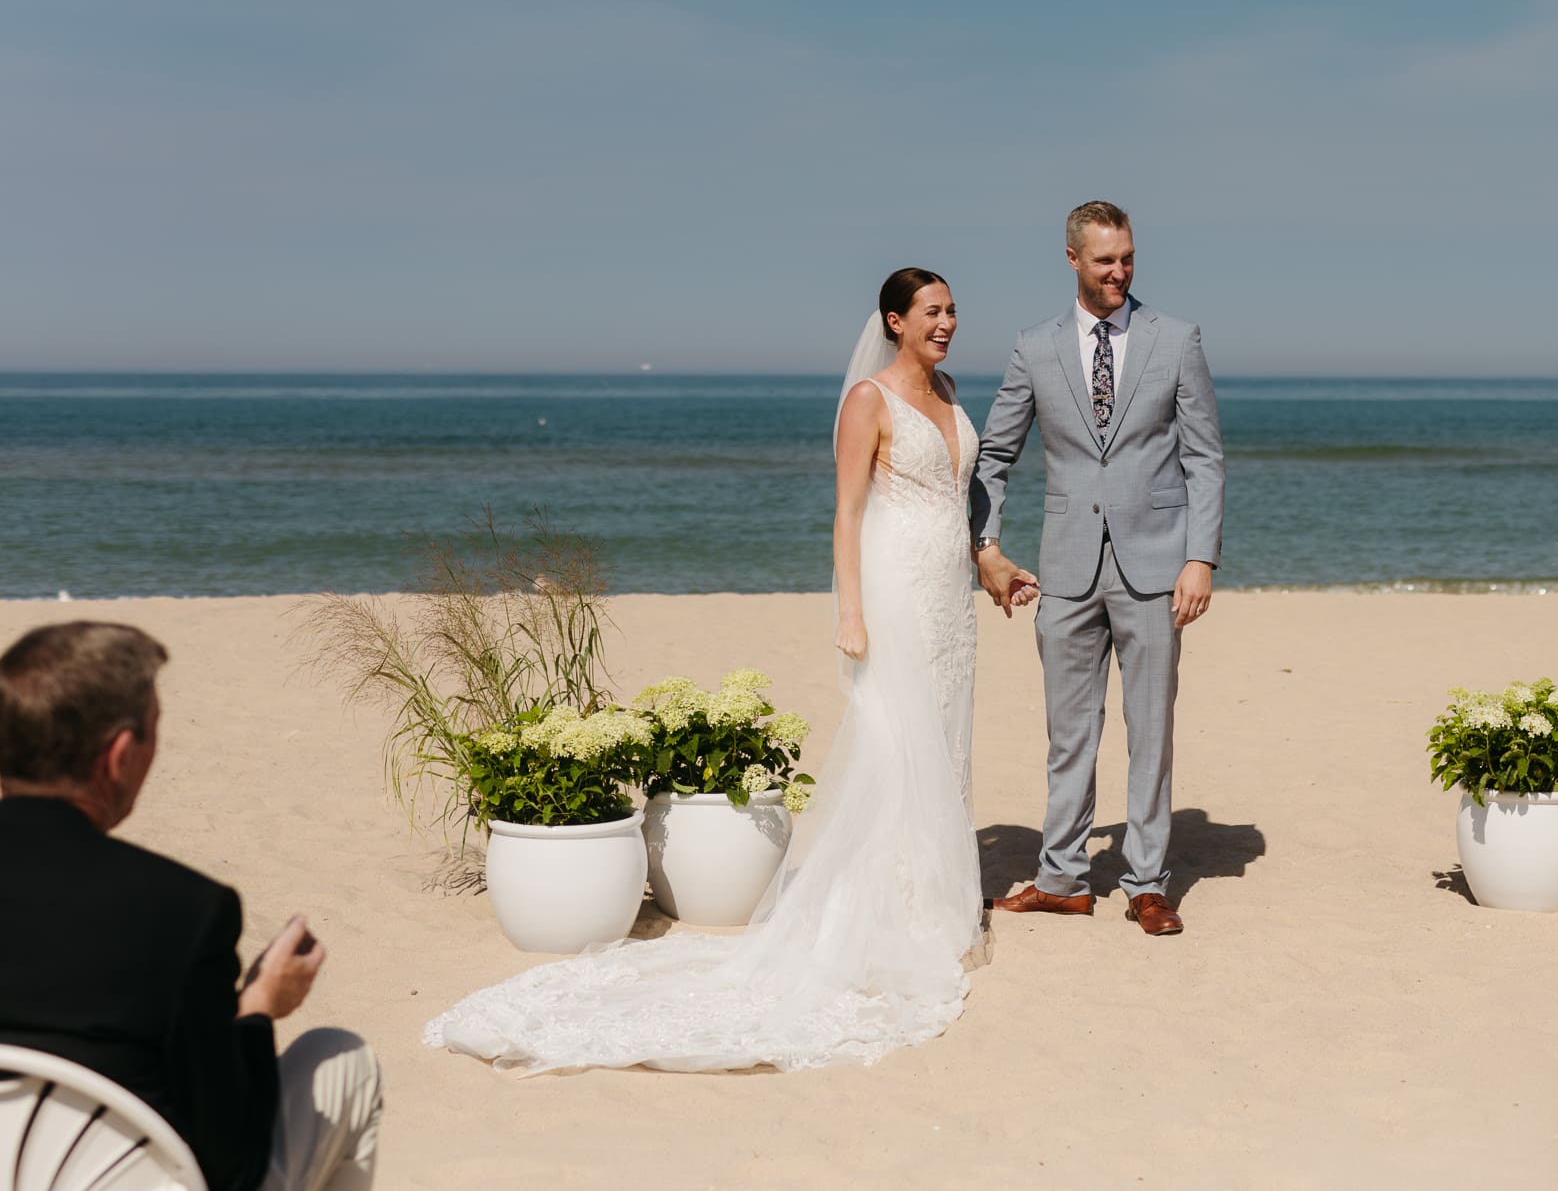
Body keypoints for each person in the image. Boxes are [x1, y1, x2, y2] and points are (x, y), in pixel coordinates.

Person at [427, 268, 990, 1072]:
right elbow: (848, 511)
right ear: (895, 321)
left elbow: (960, 498)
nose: (948, 322)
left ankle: (936, 900)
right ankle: (894, 912)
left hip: (950, 595)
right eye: (933, 312)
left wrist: (988, 560)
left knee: (943, 736)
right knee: (896, 744)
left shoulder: (951, 390)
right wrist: (851, 612)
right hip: (897, 591)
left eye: (953, 310)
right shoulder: (869, 400)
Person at [0, 621, 382, 1191]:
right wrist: (257, 1009)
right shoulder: (183, 910)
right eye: (155, 732)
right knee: (342, 1059)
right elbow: (233, 1166)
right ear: (119, 755)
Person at [972, 200, 1225, 936]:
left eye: (1129, 257)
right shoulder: (1034, 347)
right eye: (1106, 259)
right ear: (1073, 259)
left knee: (1151, 729)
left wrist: (1200, 558)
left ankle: (1147, 882)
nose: (1120, 271)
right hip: (1066, 567)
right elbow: (994, 456)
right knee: (1068, 732)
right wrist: (985, 548)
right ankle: (1062, 878)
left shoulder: (1175, 339)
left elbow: (1205, 456)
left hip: (1155, 567)